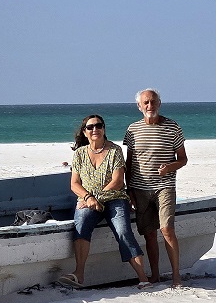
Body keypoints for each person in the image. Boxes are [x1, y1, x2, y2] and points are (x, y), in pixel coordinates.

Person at [58, 114, 152, 290]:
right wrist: (88, 198)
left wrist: (97, 198)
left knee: (123, 231)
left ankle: (143, 278)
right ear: (84, 132)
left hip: (115, 198)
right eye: (90, 127)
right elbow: (74, 184)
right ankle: (79, 273)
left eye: (98, 125)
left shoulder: (115, 150)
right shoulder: (79, 154)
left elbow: (118, 181)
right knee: (81, 224)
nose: (95, 129)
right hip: (88, 200)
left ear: (104, 129)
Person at [124, 89, 188, 287]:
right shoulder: (132, 130)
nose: (150, 106)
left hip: (164, 186)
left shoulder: (172, 127)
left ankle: (176, 276)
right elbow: (129, 163)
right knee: (149, 233)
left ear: (159, 103)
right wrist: (129, 190)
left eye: (153, 102)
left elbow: (183, 159)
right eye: (146, 102)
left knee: (167, 229)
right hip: (139, 189)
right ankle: (155, 275)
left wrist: (169, 167)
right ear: (139, 106)